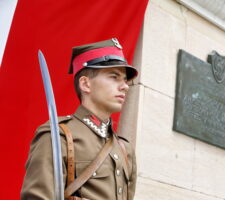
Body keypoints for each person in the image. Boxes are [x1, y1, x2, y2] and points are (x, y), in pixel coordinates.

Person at [21, 38, 138, 200]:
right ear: (86, 84)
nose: (124, 86)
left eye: (125, 80)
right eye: (114, 77)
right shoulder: (58, 135)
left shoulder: (124, 149)